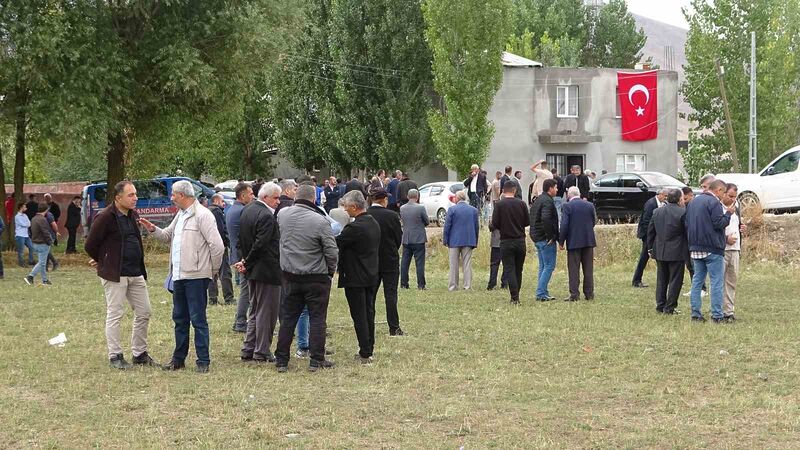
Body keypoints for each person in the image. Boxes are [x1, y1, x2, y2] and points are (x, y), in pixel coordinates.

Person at [139, 180, 224, 373]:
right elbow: (167, 235)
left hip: (196, 277)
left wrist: (211, 271)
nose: (171, 198)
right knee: (179, 318)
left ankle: (203, 361)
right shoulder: (181, 214)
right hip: (178, 275)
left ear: (183, 195)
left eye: (173, 194)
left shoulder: (203, 215)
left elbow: (217, 246)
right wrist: (152, 228)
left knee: (198, 319)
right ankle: (178, 359)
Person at [84, 181, 158, 369]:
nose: (135, 198)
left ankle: (139, 353)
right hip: (115, 274)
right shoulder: (105, 217)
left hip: (135, 272)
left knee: (144, 312)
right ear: (118, 198)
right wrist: (103, 259)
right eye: (130, 195)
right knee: (115, 313)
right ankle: (115, 356)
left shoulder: (133, 215)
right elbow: (90, 244)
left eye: (135, 194)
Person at [275, 184, 339, 372]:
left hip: (290, 275)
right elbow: (331, 251)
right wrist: (330, 271)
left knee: (288, 319)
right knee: (317, 318)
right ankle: (316, 359)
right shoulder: (320, 221)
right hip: (315, 276)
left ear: (296, 197)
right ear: (314, 199)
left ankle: (281, 360)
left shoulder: (283, 214)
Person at [234, 182, 282, 364]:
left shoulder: (248, 210)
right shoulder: (266, 215)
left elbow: (241, 240)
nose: (278, 201)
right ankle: (261, 351)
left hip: (252, 268)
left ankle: (249, 348)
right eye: (275, 198)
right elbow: (261, 244)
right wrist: (246, 261)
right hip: (266, 270)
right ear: (264, 197)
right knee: (266, 312)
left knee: (255, 310)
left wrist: (244, 261)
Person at [336, 191, 381, 364]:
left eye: (346, 207)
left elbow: (336, 242)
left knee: (359, 315)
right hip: (371, 273)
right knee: (369, 312)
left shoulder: (354, 228)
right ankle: (369, 347)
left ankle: (365, 351)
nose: (345, 211)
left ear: (354, 207)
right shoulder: (373, 223)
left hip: (355, 277)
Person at [685, 179, 735, 323]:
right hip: (712, 248)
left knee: (697, 281)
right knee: (716, 282)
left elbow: (687, 222)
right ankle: (717, 315)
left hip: (695, 247)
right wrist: (728, 214)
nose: (723, 195)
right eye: (724, 192)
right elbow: (719, 223)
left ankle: (696, 313)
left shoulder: (693, 202)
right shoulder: (714, 203)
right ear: (718, 190)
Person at [366, 188, 405, 336]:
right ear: (384, 200)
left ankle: (369, 326)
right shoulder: (392, 216)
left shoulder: (366, 214)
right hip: (390, 260)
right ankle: (394, 327)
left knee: (370, 296)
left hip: (371, 261)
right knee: (391, 295)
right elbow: (398, 238)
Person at [646, 188, 688, 314]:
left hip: (660, 249)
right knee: (675, 280)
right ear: (680, 199)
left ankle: (660, 305)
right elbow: (687, 232)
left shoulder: (657, 211)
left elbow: (651, 231)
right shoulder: (682, 212)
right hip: (677, 250)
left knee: (661, 279)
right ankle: (670, 307)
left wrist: (650, 247)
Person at [490, 181, 529, 304]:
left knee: (509, 269)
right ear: (515, 190)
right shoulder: (522, 204)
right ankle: (517, 294)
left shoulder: (499, 205)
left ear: (503, 190)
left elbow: (495, 224)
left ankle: (514, 297)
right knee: (519, 269)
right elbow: (527, 222)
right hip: (520, 241)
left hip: (506, 241)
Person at [559, 187, 597, 301]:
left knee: (574, 269)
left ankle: (574, 294)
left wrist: (561, 241)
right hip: (588, 240)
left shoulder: (567, 206)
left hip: (574, 241)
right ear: (579, 194)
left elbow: (564, 225)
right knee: (588, 268)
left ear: (568, 195)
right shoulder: (589, 205)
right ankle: (589, 293)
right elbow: (593, 221)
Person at [226, 182, 254, 333]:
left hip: (237, 255)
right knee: (246, 290)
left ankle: (240, 320)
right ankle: (241, 322)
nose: (253, 196)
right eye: (250, 194)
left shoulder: (231, 209)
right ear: (242, 195)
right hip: (243, 256)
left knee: (246, 289)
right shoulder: (243, 211)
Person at [529, 179, 559, 302]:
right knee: (549, 266)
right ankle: (541, 292)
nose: (557, 190)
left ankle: (543, 291)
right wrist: (551, 236)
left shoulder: (538, 200)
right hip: (544, 238)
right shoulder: (547, 201)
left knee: (543, 266)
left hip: (536, 236)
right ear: (550, 188)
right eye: (555, 187)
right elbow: (546, 218)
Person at [443, 190, 479, 291]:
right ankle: (467, 286)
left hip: (454, 240)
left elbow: (447, 226)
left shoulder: (452, 209)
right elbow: (476, 227)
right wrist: (475, 240)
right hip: (468, 239)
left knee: (453, 264)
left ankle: (453, 286)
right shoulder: (474, 210)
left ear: (457, 198)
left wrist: (445, 240)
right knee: (467, 263)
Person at [632, 188, 667, 288]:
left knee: (659, 257)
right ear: (660, 194)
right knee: (644, 257)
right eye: (665, 196)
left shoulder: (662, 204)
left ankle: (665, 278)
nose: (666, 198)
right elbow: (646, 221)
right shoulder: (651, 204)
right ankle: (636, 280)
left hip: (654, 235)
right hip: (648, 235)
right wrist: (650, 237)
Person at [722, 183, 744, 322]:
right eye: (730, 196)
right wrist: (725, 239)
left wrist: (742, 230)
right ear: (723, 193)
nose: (732, 199)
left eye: (735, 197)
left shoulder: (736, 208)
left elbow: (736, 224)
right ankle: (718, 310)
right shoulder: (717, 208)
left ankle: (729, 311)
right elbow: (713, 228)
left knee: (731, 281)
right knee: (719, 281)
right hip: (722, 249)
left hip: (735, 249)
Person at [207, 194, 234, 305]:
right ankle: (229, 298)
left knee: (212, 273)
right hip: (219, 247)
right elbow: (220, 230)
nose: (224, 204)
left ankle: (213, 298)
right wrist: (226, 244)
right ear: (216, 200)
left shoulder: (207, 211)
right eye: (223, 201)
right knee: (225, 273)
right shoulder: (217, 212)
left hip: (209, 247)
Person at [400, 189, 428, 290]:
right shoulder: (421, 208)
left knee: (404, 262)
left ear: (408, 197)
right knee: (419, 263)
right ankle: (421, 285)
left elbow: (403, 220)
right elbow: (427, 221)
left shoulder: (402, 208)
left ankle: (404, 283)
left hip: (407, 238)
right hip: (419, 238)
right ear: (417, 197)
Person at [24, 202, 53, 286]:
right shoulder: (42, 219)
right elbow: (45, 232)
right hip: (42, 243)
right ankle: (30, 276)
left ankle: (45, 280)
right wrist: (50, 241)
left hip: (35, 243)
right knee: (42, 263)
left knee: (42, 262)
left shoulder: (33, 218)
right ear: (46, 210)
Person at [15, 203, 34, 267]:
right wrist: (26, 224)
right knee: (21, 250)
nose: (26, 208)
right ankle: (21, 264)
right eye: (25, 207)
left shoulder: (25, 215)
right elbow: (23, 224)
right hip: (20, 235)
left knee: (31, 247)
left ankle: (31, 261)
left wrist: (27, 224)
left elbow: (29, 223)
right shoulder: (17, 216)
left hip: (26, 235)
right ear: (21, 208)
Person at [44, 205, 60, 271]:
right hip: (46, 235)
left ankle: (55, 262)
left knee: (46, 251)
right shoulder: (43, 215)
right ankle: (46, 267)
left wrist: (56, 232)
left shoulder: (49, 215)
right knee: (46, 251)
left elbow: (54, 224)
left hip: (50, 235)